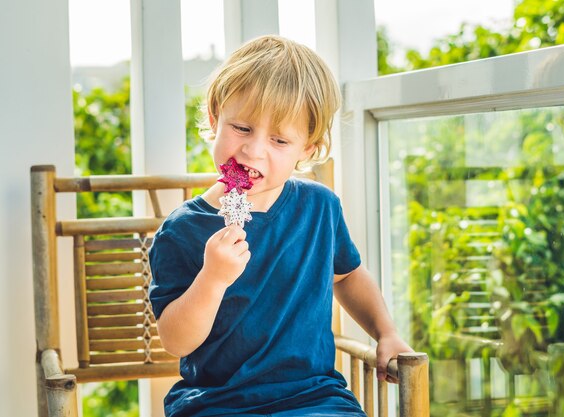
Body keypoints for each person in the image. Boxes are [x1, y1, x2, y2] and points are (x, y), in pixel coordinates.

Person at [148, 35, 413, 417]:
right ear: (214, 117)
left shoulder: (319, 207)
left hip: (314, 398)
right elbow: (176, 341)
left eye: (279, 140)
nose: (254, 150)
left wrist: (385, 332)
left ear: (307, 148)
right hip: (217, 403)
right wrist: (213, 279)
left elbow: (349, 277)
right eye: (241, 127)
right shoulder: (182, 231)